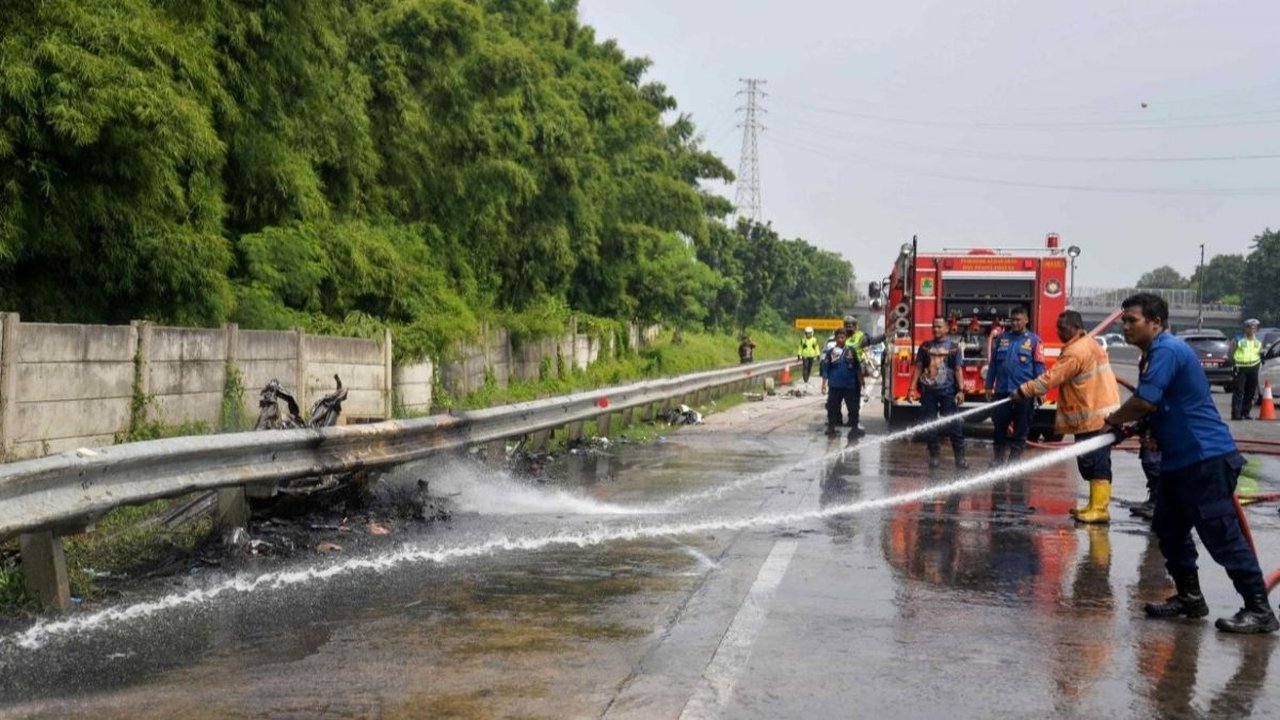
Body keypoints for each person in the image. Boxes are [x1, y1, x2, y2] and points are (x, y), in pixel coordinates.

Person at [1104, 292, 1278, 634]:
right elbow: (1162, 406)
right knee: (1169, 532)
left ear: (1155, 323)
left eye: (1131, 321)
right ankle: (1190, 597)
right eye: (1123, 321)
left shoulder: (1167, 349)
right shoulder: (1153, 355)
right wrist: (1147, 428)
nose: (1125, 326)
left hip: (1205, 459)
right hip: (1179, 462)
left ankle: (1259, 609)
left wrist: (1113, 421)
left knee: (1222, 537)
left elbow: (1144, 400)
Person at [1012, 311, 1121, 523]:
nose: (1058, 332)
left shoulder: (1076, 352)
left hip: (1093, 416)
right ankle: (1094, 505)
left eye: (1062, 328)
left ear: (1074, 327)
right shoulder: (1087, 344)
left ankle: (1099, 509)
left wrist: (1023, 391)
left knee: (1095, 462)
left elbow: (1051, 378)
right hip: (1098, 414)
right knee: (1091, 461)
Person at [985, 306, 1045, 465]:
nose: (1015, 323)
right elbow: (993, 367)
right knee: (999, 429)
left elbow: (1039, 368)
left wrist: (1040, 391)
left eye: (1018, 320)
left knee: (1021, 429)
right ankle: (998, 461)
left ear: (1026, 320)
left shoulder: (1034, 341)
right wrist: (989, 385)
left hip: (1024, 393)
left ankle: (1013, 463)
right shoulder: (1001, 339)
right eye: (1013, 320)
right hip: (1002, 392)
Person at [908, 316, 967, 470]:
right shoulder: (925, 347)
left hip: (948, 392)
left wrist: (961, 390)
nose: (936, 329)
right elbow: (919, 367)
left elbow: (958, 370)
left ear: (947, 328)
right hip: (928, 393)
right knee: (930, 425)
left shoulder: (954, 348)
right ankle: (934, 456)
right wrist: (911, 388)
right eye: (934, 326)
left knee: (954, 425)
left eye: (940, 327)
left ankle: (960, 459)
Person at [820, 327, 862, 436]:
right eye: (838, 337)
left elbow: (857, 367)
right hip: (835, 385)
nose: (840, 339)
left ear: (846, 338)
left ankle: (854, 427)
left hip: (849, 385)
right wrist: (823, 385)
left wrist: (861, 381)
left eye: (842, 337)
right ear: (835, 338)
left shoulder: (851, 351)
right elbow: (826, 369)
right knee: (832, 407)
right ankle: (831, 427)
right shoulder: (831, 352)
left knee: (853, 408)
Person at [1230, 318, 1262, 420]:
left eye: (1254, 328)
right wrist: (1234, 364)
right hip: (1241, 368)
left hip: (1253, 368)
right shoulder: (1239, 340)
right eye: (1249, 328)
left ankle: (1246, 412)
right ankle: (1236, 414)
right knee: (1239, 392)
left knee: (1250, 392)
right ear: (1245, 328)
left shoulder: (1258, 342)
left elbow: (1259, 353)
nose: (1252, 330)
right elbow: (1230, 353)